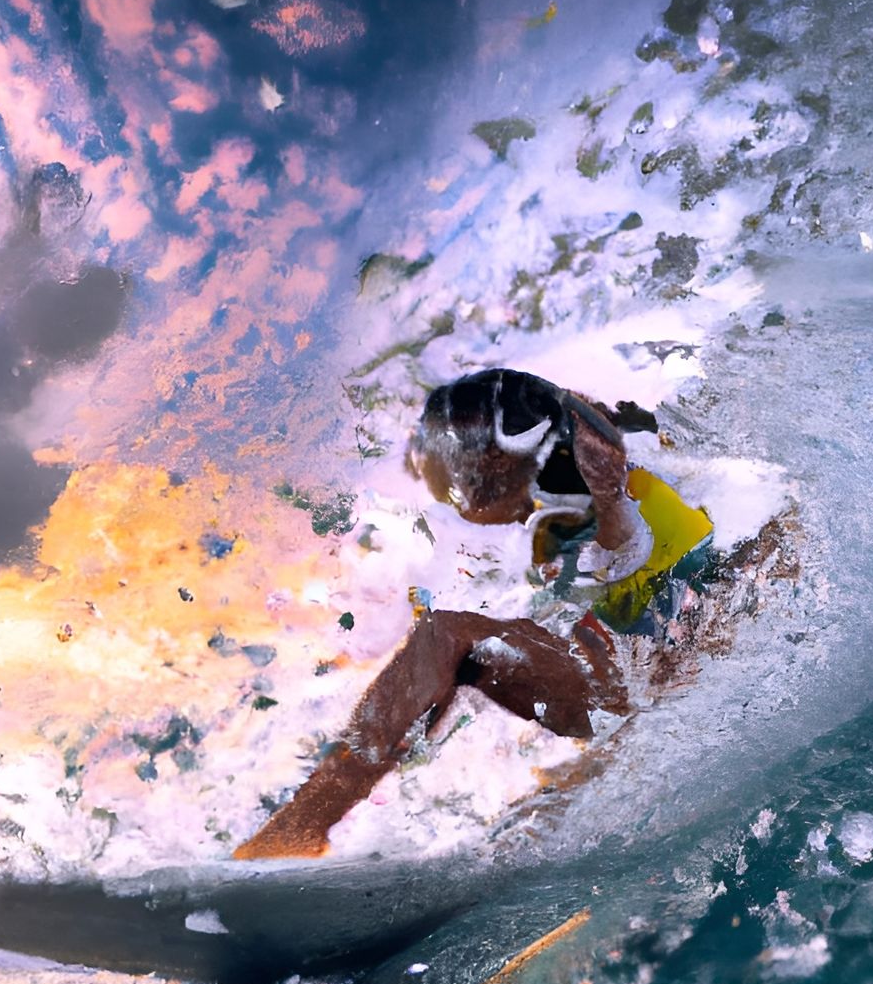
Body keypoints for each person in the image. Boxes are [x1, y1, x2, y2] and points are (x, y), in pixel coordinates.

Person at [236, 367, 707, 860]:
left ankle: (295, 832)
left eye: (454, 479)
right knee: (476, 662)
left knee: (448, 638)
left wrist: (610, 496)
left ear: (495, 463)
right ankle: (304, 828)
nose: (451, 493)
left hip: (677, 682)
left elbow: (627, 544)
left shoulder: (608, 490)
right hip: (652, 675)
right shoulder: (562, 507)